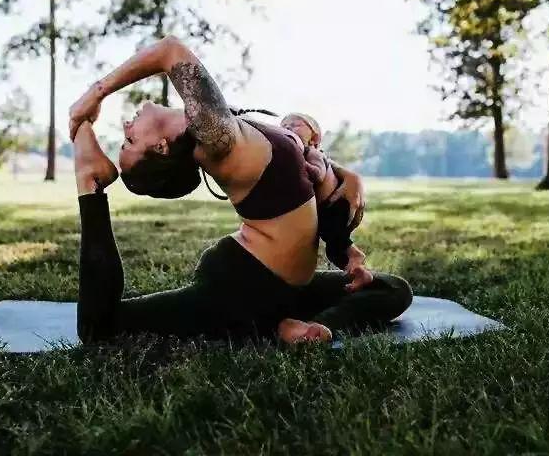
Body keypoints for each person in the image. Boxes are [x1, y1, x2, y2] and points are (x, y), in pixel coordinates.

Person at [69, 36, 413, 345]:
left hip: (282, 288)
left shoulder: (220, 125)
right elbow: (170, 50)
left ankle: (306, 326)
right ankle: (90, 179)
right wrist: (94, 95)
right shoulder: (217, 137)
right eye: (130, 140)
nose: (126, 125)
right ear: (160, 147)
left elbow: (294, 173)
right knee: (101, 327)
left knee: (393, 289)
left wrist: (345, 178)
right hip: (241, 285)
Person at [280, 113, 373, 290]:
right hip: (326, 209)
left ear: (314, 138)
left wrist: (302, 165)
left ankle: (356, 256)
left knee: (337, 240)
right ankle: (359, 273)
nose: (287, 128)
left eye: (295, 125)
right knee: (334, 250)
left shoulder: (312, 153)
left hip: (334, 206)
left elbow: (318, 174)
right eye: (283, 126)